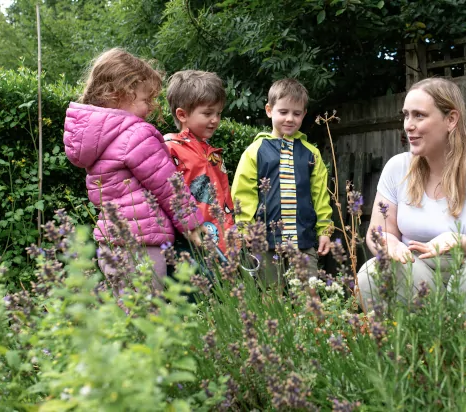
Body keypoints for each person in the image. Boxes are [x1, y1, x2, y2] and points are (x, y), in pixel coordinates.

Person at [357, 77, 466, 321]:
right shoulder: (397, 168)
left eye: (419, 115)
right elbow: (379, 231)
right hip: (421, 269)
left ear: (451, 119)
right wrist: (390, 244)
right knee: (376, 272)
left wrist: (458, 241)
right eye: (406, 115)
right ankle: (411, 355)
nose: (408, 125)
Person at [63, 48, 203, 292]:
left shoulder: (95, 138)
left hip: (110, 241)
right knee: (148, 314)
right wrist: (192, 224)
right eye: (145, 99)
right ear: (118, 94)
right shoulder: (135, 134)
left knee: (123, 315)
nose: (150, 108)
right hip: (142, 242)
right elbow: (167, 186)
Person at [231, 78, 333, 286]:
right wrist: (245, 227)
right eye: (283, 112)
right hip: (265, 242)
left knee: (308, 295)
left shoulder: (311, 153)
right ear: (269, 110)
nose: (290, 119)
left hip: (303, 241)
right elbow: (244, 193)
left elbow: (321, 196)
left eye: (296, 114)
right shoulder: (255, 151)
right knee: (271, 298)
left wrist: (324, 231)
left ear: (304, 115)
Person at [164, 70, 234, 257]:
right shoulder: (170, 149)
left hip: (224, 243)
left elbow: (225, 199)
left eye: (218, 113)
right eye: (208, 113)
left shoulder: (213, 154)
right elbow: (169, 196)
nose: (215, 120)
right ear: (182, 114)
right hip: (191, 245)